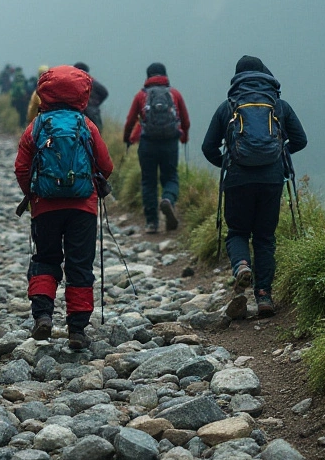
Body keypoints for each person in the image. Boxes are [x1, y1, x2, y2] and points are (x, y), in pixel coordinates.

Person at [14, 65, 113, 349]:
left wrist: (32, 194)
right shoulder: (86, 125)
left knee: (45, 259)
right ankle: (77, 330)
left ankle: (43, 316)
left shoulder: (37, 125)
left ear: (45, 91)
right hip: (83, 208)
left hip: (45, 206)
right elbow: (106, 166)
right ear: (81, 93)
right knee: (80, 265)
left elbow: (21, 167)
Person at [200, 55, 307, 319]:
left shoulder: (229, 107)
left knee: (237, 231)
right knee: (265, 237)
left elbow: (207, 147)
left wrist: (228, 160)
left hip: (237, 178)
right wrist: (281, 155)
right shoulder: (278, 105)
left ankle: (241, 265)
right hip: (271, 179)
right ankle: (264, 297)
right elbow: (301, 140)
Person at [123, 62, 191, 233]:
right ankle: (168, 199)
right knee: (171, 177)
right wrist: (184, 137)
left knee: (148, 181)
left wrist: (127, 139)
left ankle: (152, 223)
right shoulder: (174, 94)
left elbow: (131, 120)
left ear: (148, 77)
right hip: (169, 143)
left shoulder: (141, 95)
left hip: (147, 144)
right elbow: (185, 120)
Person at [73, 62, 109, 130]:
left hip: (83, 114)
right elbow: (104, 93)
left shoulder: (73, 83)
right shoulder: (92, 82)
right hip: (92, 113)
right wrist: (96, 103)